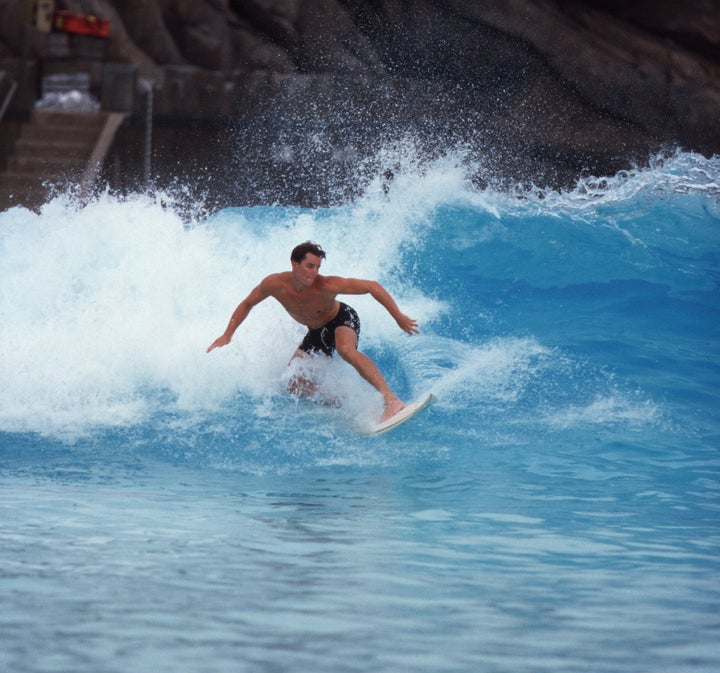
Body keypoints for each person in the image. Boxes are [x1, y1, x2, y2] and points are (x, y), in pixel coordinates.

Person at [207, 241, 419, 422]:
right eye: (309, 266)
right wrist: (228, 335)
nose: (314, 272)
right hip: (317, 332)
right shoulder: (274, 284)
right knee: (292, 384)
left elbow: (372, 286)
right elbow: (247, 303)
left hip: (341, 319)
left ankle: (392, 401)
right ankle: (342, 403)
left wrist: (398, 317)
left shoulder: (326, 285)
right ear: (294, 264)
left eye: (317, 267)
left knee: (345, 350)